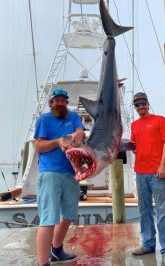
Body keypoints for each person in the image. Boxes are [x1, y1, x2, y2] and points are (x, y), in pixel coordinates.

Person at [34, 88, 85, 266]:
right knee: (49, 219)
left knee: (69, 215)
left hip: (71, 173)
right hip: (50, 173)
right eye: (57, 100)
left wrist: (79, 134)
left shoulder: (73, 117)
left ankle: (56, 250)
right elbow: (39, 146)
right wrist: (57, 142)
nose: (60, 103)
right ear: (51, 103)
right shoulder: (44, 120)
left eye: (63, 100)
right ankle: (43, 263)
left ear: (66, 102)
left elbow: (80, 130)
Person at [130, 92, 165, 266]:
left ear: (148, 103)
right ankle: (147, 244)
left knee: (163, 212)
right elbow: (133, 147)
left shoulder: (159, 120)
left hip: (157, 173)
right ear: (135, 107)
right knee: (144, 210)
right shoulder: (134, 125)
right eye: (137, 104)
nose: (141, 107)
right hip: (140, 173)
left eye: (143, 103)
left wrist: (162, 166)